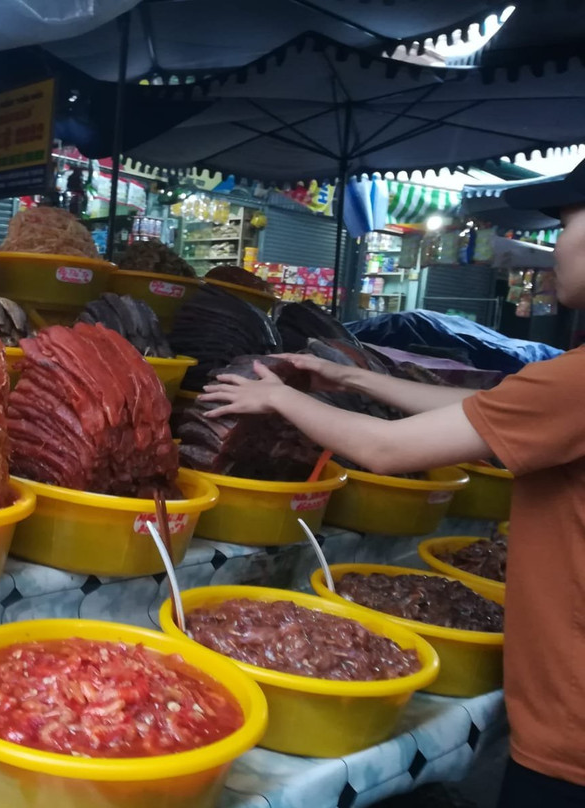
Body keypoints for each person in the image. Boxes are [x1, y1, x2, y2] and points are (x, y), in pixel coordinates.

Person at [200, 159, 585, 808]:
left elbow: (384, 450)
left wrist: (281, 401)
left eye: (568, 223)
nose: (552, 248)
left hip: (568, 739)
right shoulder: (565, 384)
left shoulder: (574, 383)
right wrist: (349, 378)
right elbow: (482, 409)